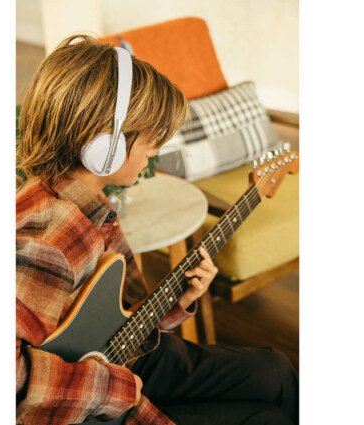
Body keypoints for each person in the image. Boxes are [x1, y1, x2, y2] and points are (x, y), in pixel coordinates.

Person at [16, 35, 298, 425]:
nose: (155, 151)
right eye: (150, 138)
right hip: (94, 398)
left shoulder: (87, 204)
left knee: (276, 370)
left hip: (123, 359)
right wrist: (113, 389)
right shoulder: (53, 237)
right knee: (265, 417)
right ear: (105, 145)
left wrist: (177, 301)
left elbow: (110, 325)